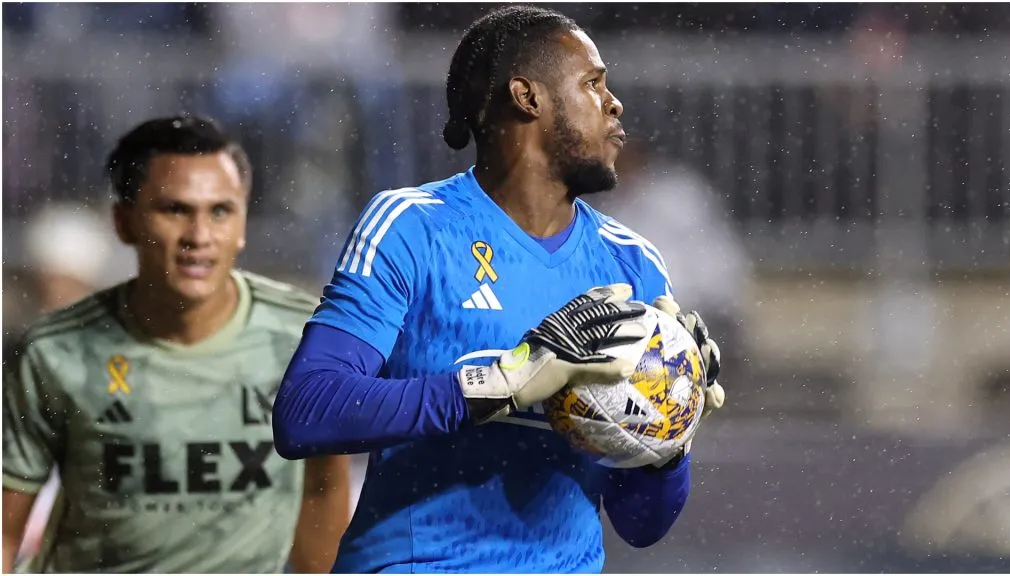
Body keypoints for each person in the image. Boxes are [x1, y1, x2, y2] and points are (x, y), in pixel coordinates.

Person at [273, 5, 725, 573]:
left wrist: (668, 436)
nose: (615, 104)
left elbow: (641, 526)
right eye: (593, 84)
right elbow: (306, 411)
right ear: (527, 96)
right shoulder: (412, 226)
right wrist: (498, 385)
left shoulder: (632, 262)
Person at [2, 116, 351, 573]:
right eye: (175, 210)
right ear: (123, 223)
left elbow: (322, 489)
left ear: (243, 224)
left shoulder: (303, 338)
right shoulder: (53, 352)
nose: (199, 237)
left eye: (220, 211)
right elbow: (6, 530)